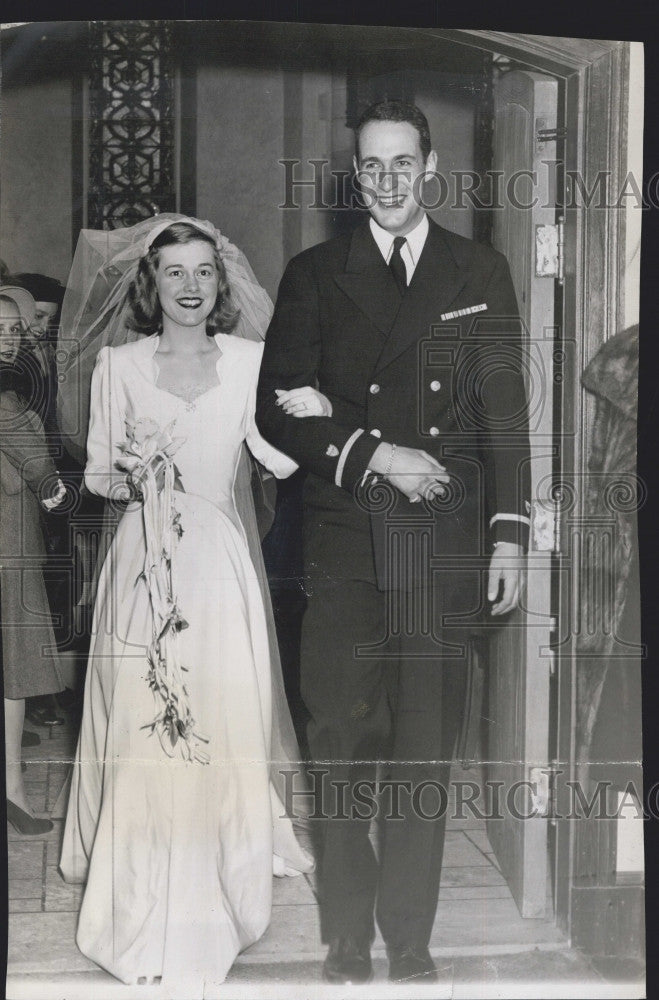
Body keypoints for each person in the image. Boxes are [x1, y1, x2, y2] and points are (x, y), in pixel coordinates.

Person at [256, 100, 531, 984]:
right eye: (369, 167)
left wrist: (508, 532)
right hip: (343, 543)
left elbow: (503, 420)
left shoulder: (478, 268)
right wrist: (373, 448)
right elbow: (276, 406)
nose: (385, 181)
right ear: (354, 175)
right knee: (336, 735)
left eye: (400, 163)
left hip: (442, 540)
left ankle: (409, 936)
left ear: (430, 166)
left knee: (422, 741)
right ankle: (345, 930)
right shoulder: (312, 273)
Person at [58, 215, 313, 994]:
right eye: (174, 272)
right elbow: (99, 472)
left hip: (217, 564)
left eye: (204, 271)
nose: (191, 286)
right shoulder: (117, 364)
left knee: (219, 714)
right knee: (143, 714)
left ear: (221, 282)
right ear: (151, 284)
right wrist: (134, 475)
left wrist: (311, 402)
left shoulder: (249, 361)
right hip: (141, 561)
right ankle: (137, 891)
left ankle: (217, 887)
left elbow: (279, 457)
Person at [0, 285, 66, 835]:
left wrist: (52, 488)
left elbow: (38, 461)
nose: (6, 337)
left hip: (11, 543)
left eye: (13, 329)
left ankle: (12, 790)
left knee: (14, 672)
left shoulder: (18, 391)